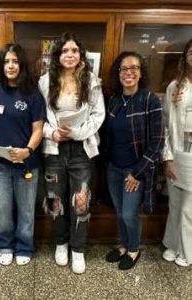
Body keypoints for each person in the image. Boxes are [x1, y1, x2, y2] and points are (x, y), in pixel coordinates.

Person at [39, 32, 105, 274]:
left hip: (81, 150)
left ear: (80, 55)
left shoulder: (92, 81)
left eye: (74, 51)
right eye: (65, 51)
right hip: (54, 149)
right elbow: (38, 118)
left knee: (80, 202)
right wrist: (51, 133)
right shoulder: (45, 82)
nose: (70, 55)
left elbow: (99, 116)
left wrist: (76, 133)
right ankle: (61, 243)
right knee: (55, 199)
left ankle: (77, 249)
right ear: (57, 55)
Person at [0, 43, 45, 266]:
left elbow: (38, 129)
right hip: (0, 164)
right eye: (6, 61)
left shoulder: (32, 93)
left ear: (22, 65)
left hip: (26, 165)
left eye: (15, 61)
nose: (10, 66)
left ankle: (24, 247)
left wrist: (27, 151)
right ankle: (5, 245)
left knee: (26, 210)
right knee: (1, 210)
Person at [105, 51, 164, 270]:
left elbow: (157, 142)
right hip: (113, 168)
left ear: (141, 73)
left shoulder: (150, 100)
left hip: (135, 170)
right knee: (120, 212)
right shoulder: (113, 100)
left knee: (130, 214)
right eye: (124, 69)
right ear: (118, 73)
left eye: (134, 68)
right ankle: (124, 245)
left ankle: (134, 249)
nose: (129, 72)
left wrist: (138, 172)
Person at [162, 39, 192, 267]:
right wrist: (168, 156)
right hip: (178, 153)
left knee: (188, 209)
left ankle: (186, 250)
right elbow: (166, 124)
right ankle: (172, 245)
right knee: (175, 205)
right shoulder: (175, 87)